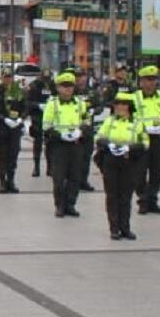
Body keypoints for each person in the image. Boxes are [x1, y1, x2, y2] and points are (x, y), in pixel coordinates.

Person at [94, 92, 145, 240]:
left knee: (125, 196)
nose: (120, 107)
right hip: (111, 162)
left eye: (124, 104)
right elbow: (99, 138)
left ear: (130, 107)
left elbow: (145, 143)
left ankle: (125, 228)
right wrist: (109, 145)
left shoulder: (137, 123)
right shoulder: (109, 122)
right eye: (118, 104)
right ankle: (114, 228)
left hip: (129, 162)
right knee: (112, 196)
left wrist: (129, 148)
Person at [42, 73, 92, 218]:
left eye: (70, 86)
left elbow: (87, 120)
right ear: (58, 88)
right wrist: (60, 135)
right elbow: (46, 125)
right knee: (58, 177)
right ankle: (60, 205)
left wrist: (80, 131)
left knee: (75, 176)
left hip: (76, 144)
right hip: (59, 145)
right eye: (64, 86)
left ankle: (71, 204)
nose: (67, 89)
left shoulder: (80, 103)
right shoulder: (53, 104)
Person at [131, 66, 160, 215]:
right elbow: (131, 120)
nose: (150, 83)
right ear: (141, 82)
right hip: (141, 139)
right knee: (139, 173)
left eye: (153, 80)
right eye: (147, 80)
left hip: (158, 139)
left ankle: (153, 200)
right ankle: (143, 200)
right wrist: (144, 129)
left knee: (156, 171)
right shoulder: (135, 98)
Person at [0, 75, 28, 194]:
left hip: (15, 128)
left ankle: (11, 181)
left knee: (13, 155)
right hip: (1, 128)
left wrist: (21, 119)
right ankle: (2, 182)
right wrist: (3, 119)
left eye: (9, 77)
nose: (8, 80)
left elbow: (25, 107)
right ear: (2, 79)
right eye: (5, 77)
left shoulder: (18, 92)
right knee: (2, 157)